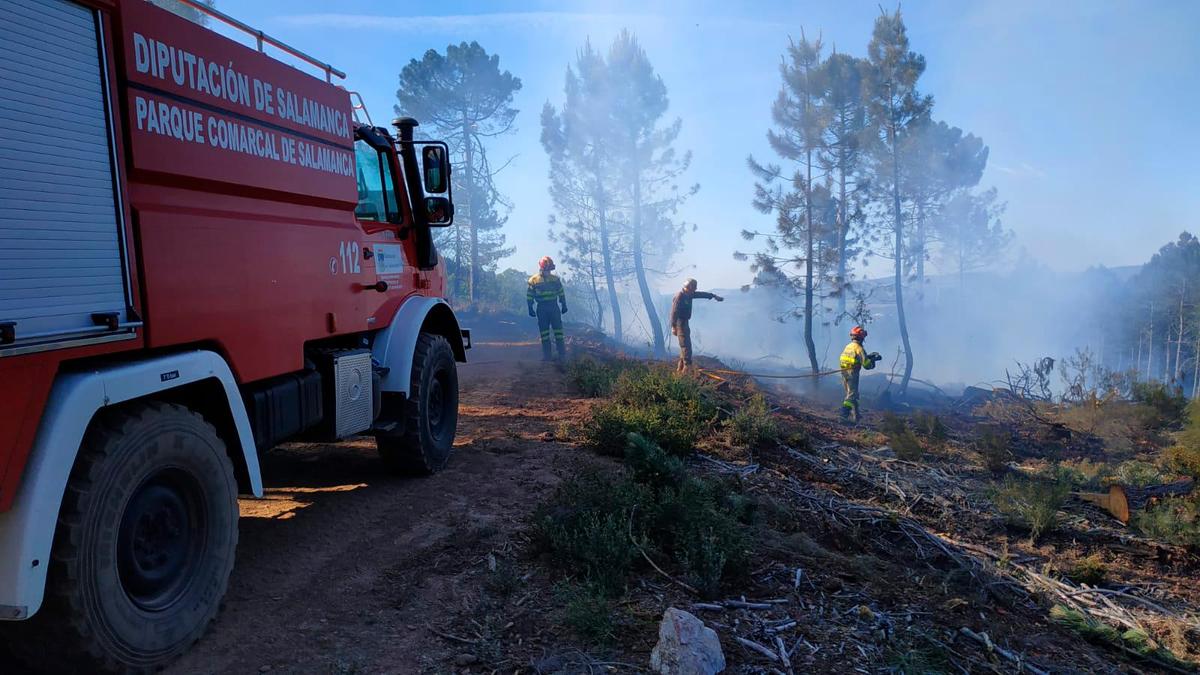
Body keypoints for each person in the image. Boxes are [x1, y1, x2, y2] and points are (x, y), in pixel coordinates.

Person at [669, 278, 724, 373]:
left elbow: (701, 294)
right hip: (679, 323)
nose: (694, 290)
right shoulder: (680, 296)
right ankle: (687, 368)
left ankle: (680, 368)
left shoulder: (689, 294)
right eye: (693, 288)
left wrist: (713, 296)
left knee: (685, 345)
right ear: (689, 287)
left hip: (685, 322)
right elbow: (674, 312)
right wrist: (673, 326)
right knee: (686, 346)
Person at [526, 256, 568, 361]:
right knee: (544, 333)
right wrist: (530, 307)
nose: (549, 271)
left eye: (550, 269)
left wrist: (564, 304)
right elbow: (529, 295)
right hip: (542, 309)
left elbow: (561, 292)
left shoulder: (555, 279)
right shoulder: (533, 280)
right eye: (547, 269)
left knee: (558, 331)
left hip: (554, 307)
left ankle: (562, 355)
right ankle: (547, 356)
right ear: (542, 268)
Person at [839, 326, 882, 423]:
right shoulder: (859, 348)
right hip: (852, 374)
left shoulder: (848, 346)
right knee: (851, 395)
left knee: (853, 394)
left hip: (844, 373)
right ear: (861, 338)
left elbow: (853, 358)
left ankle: (857, 416)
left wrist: (867, 357)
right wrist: (873, 361)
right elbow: (866, 365)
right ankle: (843, 416)